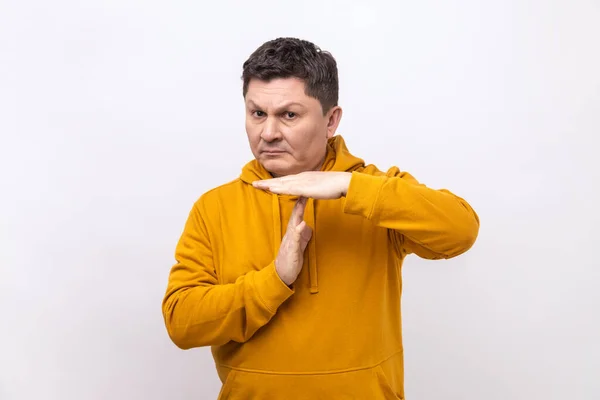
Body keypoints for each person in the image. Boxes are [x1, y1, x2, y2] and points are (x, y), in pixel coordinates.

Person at [161, 37, 480, 399]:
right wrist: (274, 280)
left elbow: (461, 230)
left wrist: (349, 186)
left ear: (331, 121)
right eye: (257, 113)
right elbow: (181, 323)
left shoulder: (375, 191)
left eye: (289, 115)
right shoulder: (215, 206)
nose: (268, 132)